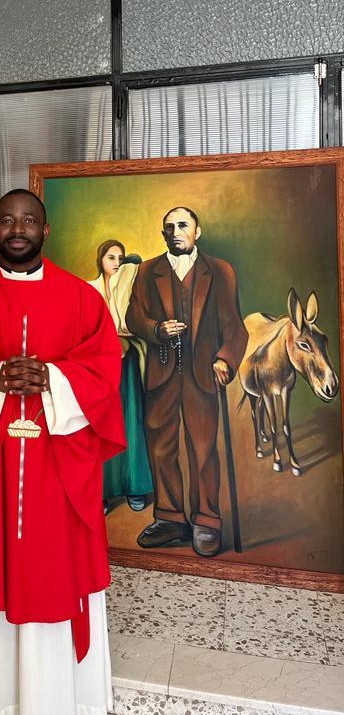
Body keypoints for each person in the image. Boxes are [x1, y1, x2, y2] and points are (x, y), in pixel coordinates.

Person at [0, 189, 125, 715]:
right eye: (6, 220)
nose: (17, 229)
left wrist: (53, 380)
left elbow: (103, 368)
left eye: (28, 220)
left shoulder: (79, 298)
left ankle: (57, 710)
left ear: (45, 231)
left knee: (55, 577)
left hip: (56, 467)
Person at [126, 206, 248, 558]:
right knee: (161, 447)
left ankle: (207, 520)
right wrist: (155, 330)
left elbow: (235, 326)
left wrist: (226, 359)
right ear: (163, 233)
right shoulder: (149, 270)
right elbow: (135, 315)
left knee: (203, 447)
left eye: (183, 225)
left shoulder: (220, 271)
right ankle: (169, 518)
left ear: (198, 231)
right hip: (162, 373)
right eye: (169, 226)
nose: (175, 231)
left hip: (203, 373)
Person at [89, 240, 152, 514]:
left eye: (121, 257)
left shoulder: (133, 290)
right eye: (110, 256)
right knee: (99, 427)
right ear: (100, 260)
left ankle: (135, 488)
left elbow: (140, 325)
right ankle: (102, 491)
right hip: (98, 368)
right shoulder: (89, 290)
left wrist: (126, 341)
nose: (116, 262)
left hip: (127, 367)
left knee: (131, 422)